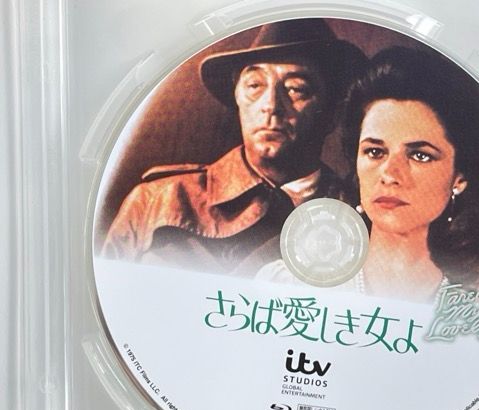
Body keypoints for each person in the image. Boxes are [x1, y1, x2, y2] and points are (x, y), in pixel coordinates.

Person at [101, 19, 365, 275]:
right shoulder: (158, 200)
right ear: (238, 98)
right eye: (255, 85)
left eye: (296, 89)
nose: (271, 106)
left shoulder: (361, 214)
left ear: (332, 114)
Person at [258, 47, 479, 302]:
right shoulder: (288, 286)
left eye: (419, 155)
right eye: (375, 152)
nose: (390, 174)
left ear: (459, 177)